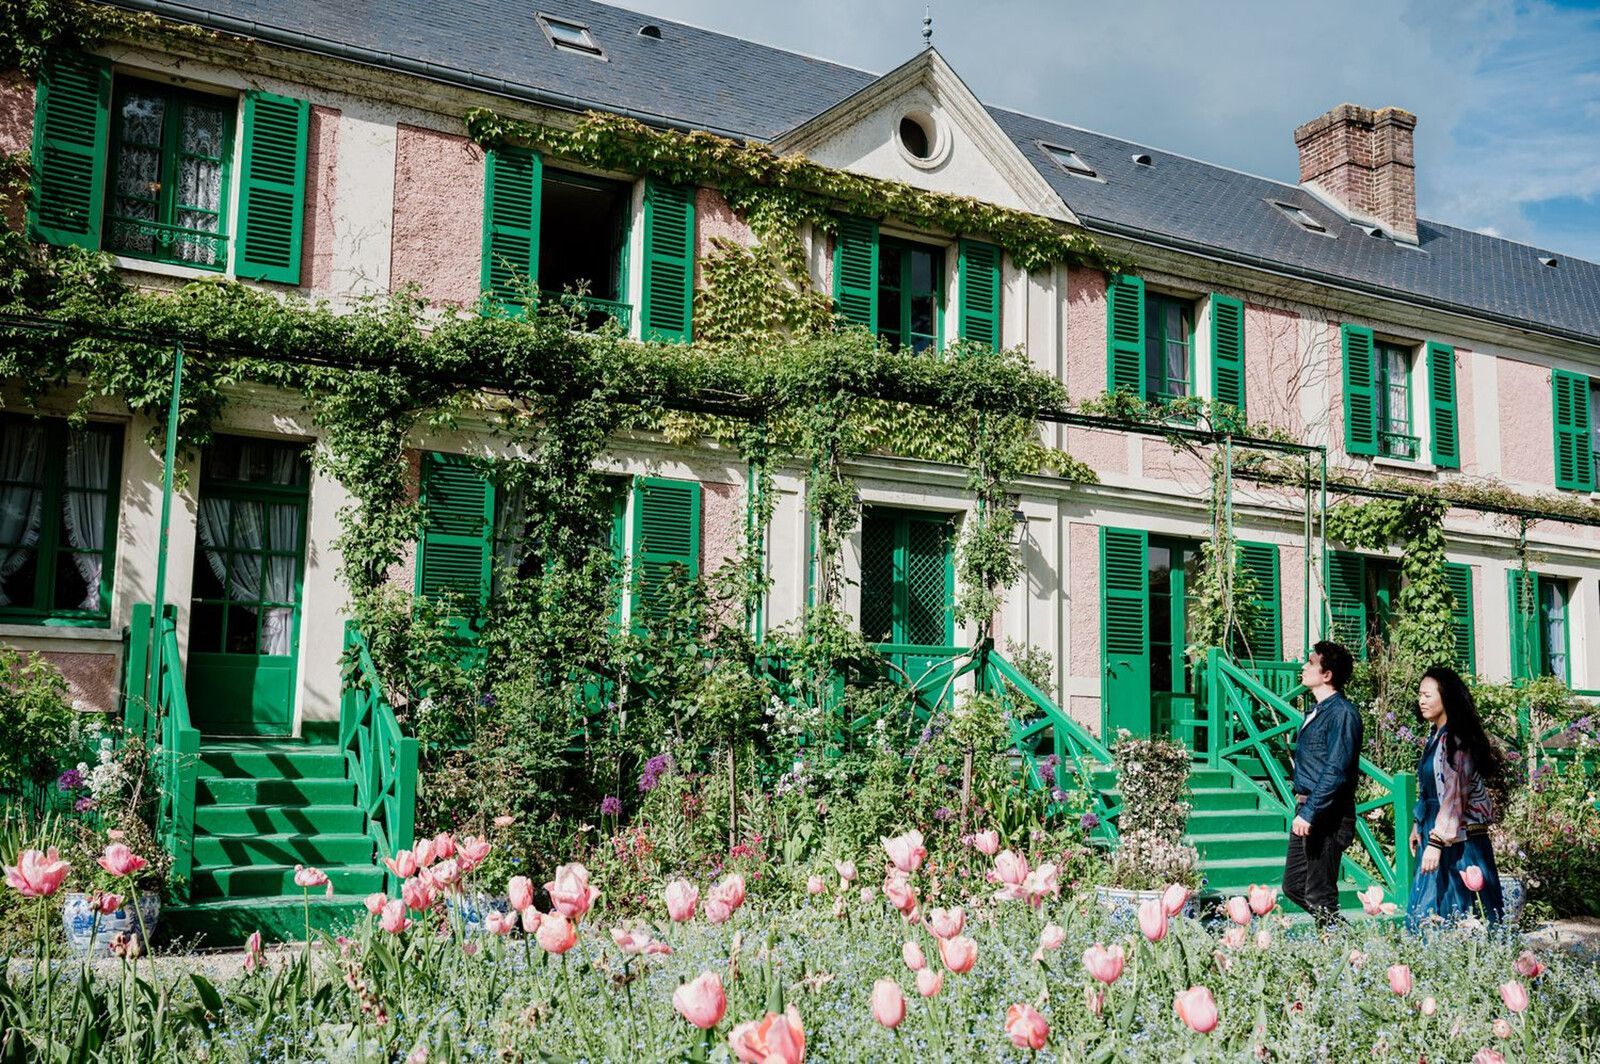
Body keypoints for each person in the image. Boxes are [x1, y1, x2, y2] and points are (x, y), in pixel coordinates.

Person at [1406, 666, 1505, 928]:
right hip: (1434, 829)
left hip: (1459, 838)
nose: (1421, 700)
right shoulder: (1435, 738)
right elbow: (1428, 789)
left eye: (1428, 695)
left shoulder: (1457, 741)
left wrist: (1437, 842)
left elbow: (1454, 796)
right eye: (1420, 695)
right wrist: (1418, 825)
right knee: (1429, 907)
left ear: (1446, 696)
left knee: (1457, 909)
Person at [1282, 640, 1362, 926]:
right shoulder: (1316, 711)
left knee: (1319, 894)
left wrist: (1310, 811)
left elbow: (1336, 770)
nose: (1304, 666)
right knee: (1294, 885)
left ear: (1327, 675)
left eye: (1311, 662)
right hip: (1308, 810)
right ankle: (1338, 938)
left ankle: (1345, 953)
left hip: (1327, 815)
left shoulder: (1342, 713)